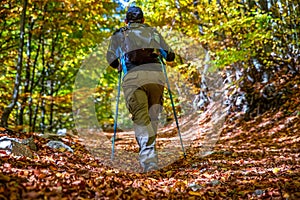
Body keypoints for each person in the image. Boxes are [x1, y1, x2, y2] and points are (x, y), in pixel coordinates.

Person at [106, 6, 175, 172]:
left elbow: (111, 59)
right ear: (143, 20)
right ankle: (150, 154)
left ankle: (150, 162)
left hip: (133, 78)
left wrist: (119, 64)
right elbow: (170, 55)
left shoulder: (119, 34)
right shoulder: (153, 32)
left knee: (142, 119)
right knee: (153, 117)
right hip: (156, 78)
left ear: (126, 21)